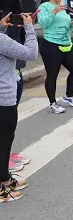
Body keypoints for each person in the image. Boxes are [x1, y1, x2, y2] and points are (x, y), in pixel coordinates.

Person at [0, 11, 38, 203]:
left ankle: (5, 179)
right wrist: (30, 27)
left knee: (4, 140)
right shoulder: (2, 41)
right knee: (4, 141)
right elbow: (30, 53)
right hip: (3, 98)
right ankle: (1, 187)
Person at [37, 0, 73, 113]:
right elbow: (44, 23)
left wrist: (72, 24)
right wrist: (54, 11)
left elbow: (66, 26)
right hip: (51, 44)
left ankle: (68, 96)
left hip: (66, 43)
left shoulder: (64, 7)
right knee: (52, 74)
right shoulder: (44, 7)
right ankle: (53, 103)